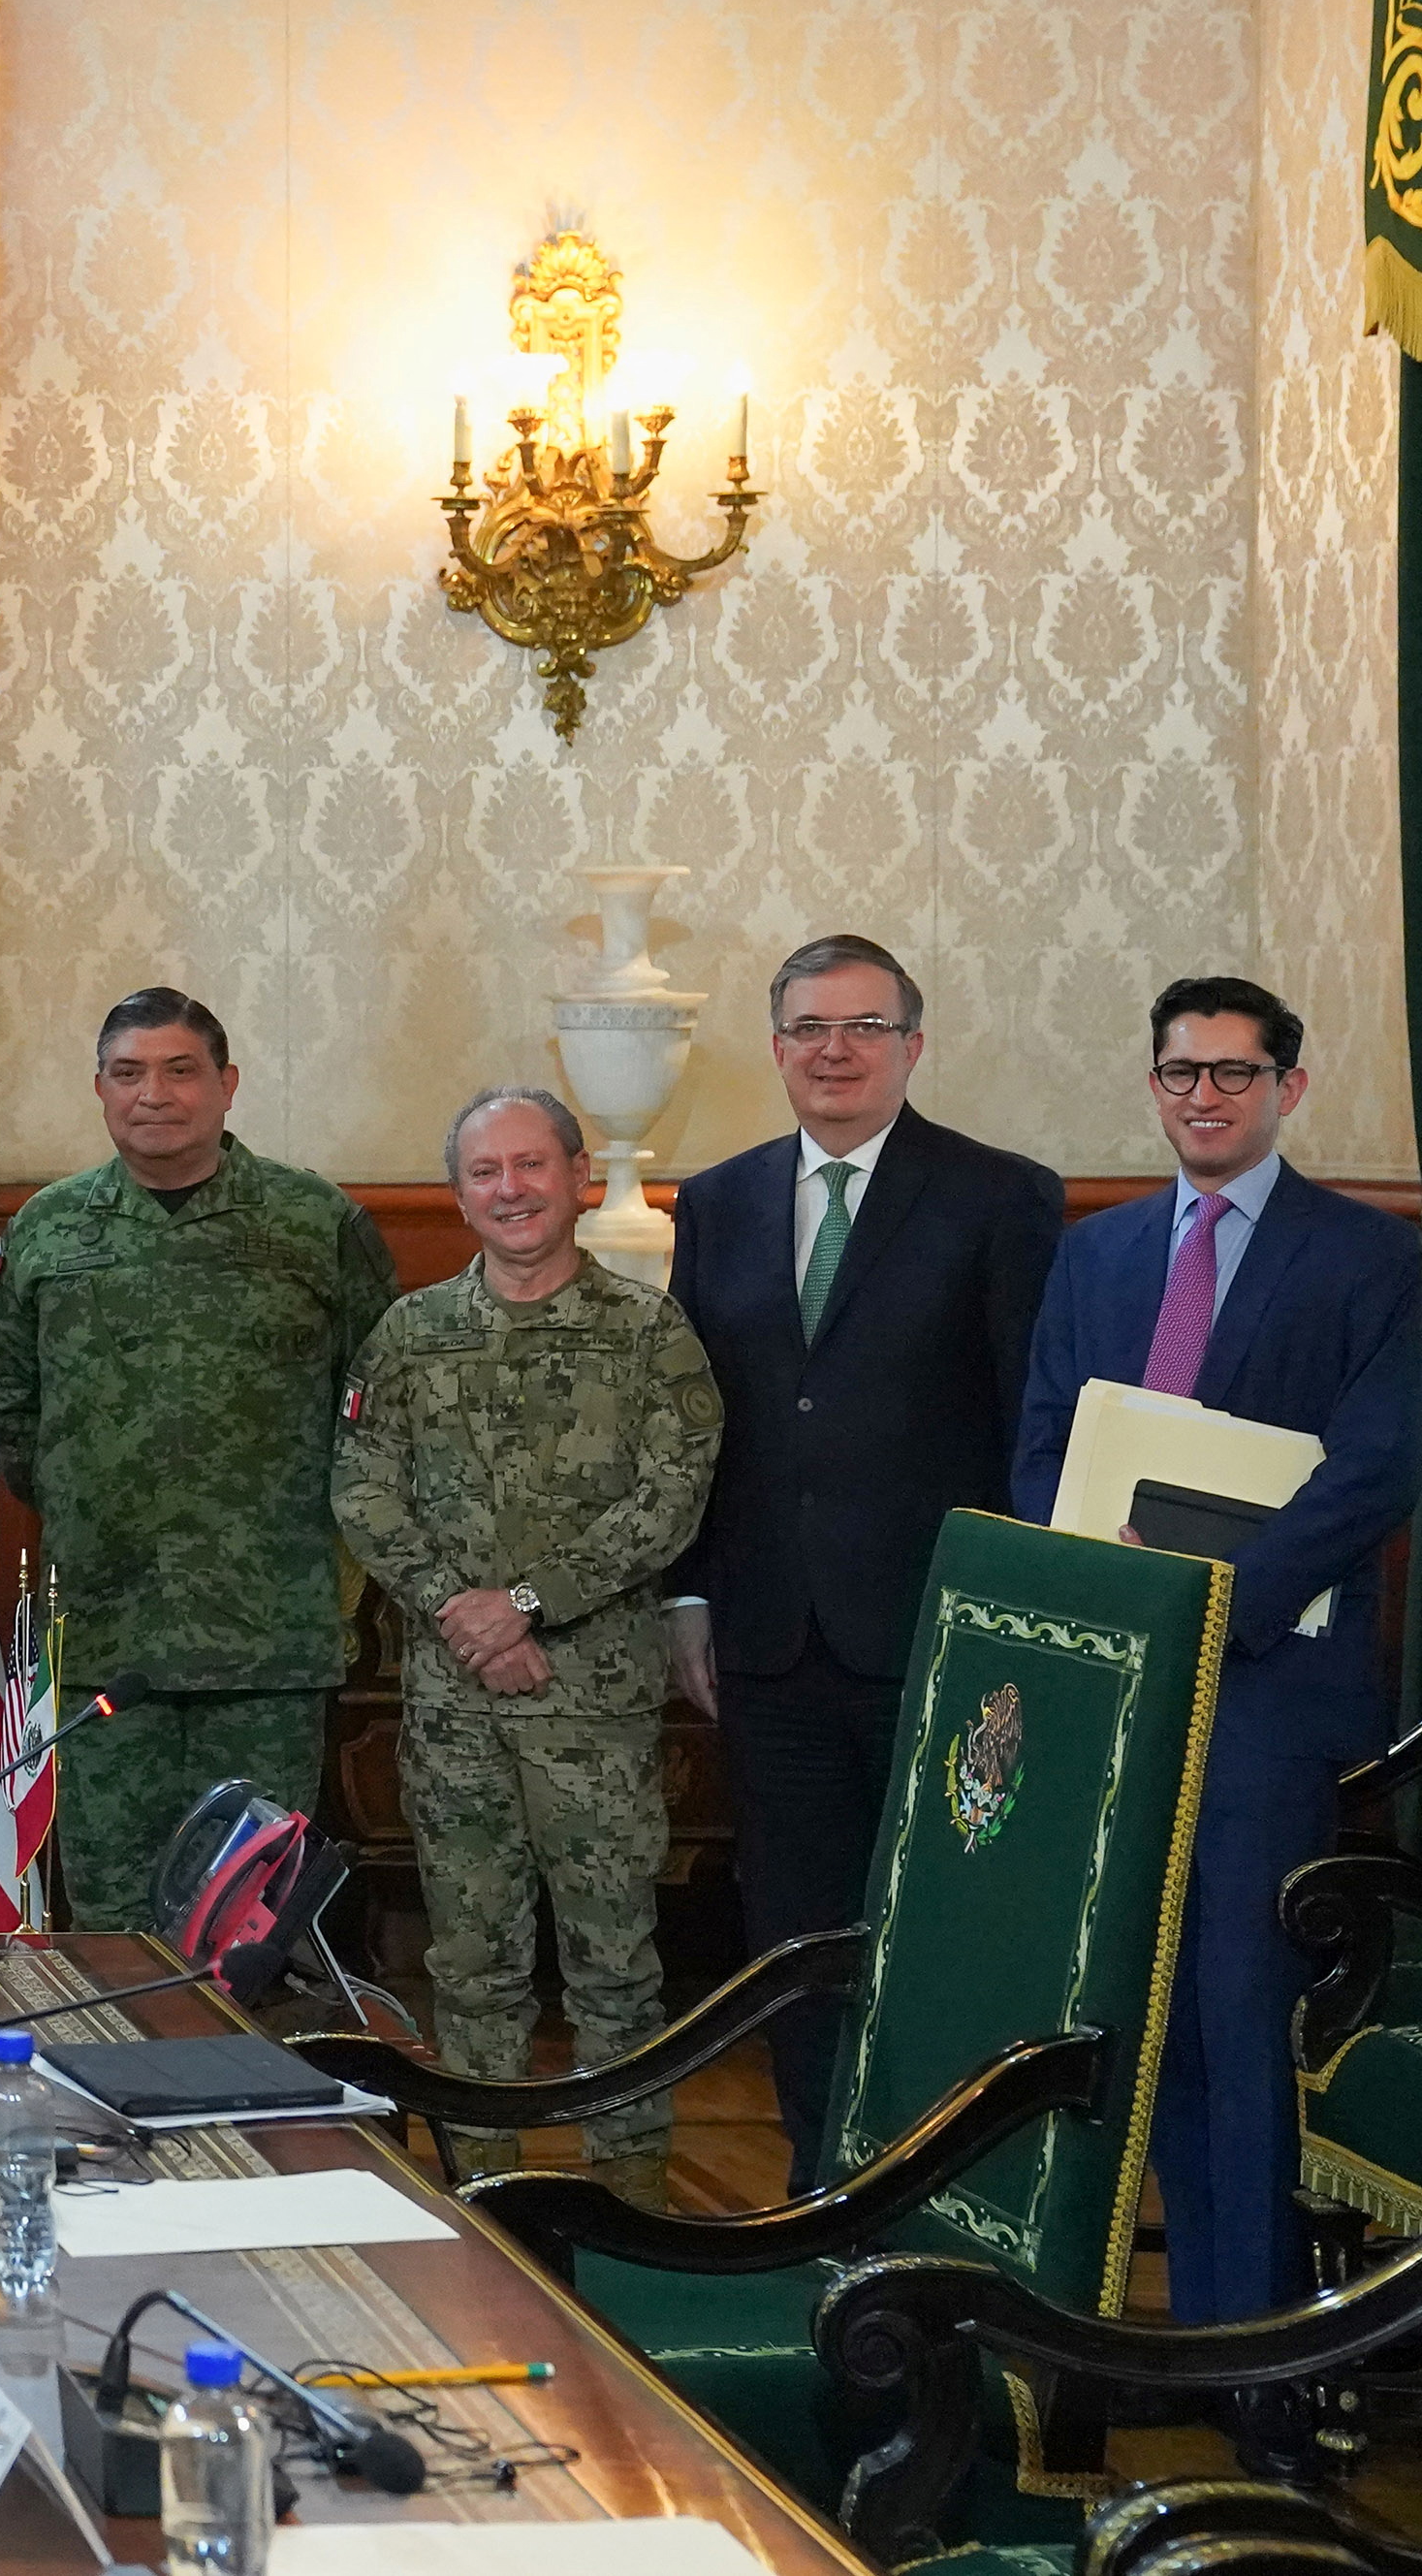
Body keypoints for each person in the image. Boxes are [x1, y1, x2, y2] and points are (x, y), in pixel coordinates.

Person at [1016, 976, 1420, 2337]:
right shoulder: (1103, 1248)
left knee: (1238, 2015)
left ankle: (1247, 2360)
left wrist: (1216, 1597)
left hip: (1265, 1690)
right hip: (1114, 1684)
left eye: (1234, 1074)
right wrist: (1074, 1591)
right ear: (1155, 1083)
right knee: (1128, 2010)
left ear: (1288, 1089)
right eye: (1182, 1073)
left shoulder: (1373, 1257)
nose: (1205, 1096)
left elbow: (1375, 1471)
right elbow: (1043, 1439)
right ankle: (1122, 2333)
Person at [661, 935, 1063, 2188]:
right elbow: (697, 1418)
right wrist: (688, 1590)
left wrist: (1010, 1623)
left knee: (942, 1929)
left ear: (912, 1045)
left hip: (941, 1636)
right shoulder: (717, 1200)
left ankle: (936, 2183)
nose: (834, 1050)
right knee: (793, 1934)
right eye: (808, 1028)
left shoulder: (1001, 1197)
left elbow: (1027, 1423)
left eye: (863, 1027)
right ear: (776, 1045)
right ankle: (815, 2184)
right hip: (767, 1641)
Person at [331, 1088, 721, 2200]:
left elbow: (670, 1500)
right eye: (485, 1172)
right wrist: (466, 1607)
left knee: (614, 1966)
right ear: (459, 1195)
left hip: (591, 1706)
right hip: (453, 1709)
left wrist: (530, 1603)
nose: (510, 1189)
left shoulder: (649, 1334)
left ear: (577, 1176)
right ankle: (479, 2189)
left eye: (530, 1166)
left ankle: (634, 2202)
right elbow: (362, 1491)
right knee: (471, 1964)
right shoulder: (409, 1335)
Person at [0, 987, 395, 1927]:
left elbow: (379, 1406)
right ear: (98, 1089)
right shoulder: (49, 1230)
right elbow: (8, 1409)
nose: (153, 1095)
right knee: (112, 1920)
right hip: (103, 1644)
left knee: (249, 1921)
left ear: (226, 1085)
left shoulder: (312, 1223)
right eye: (128, 1073)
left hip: (267, 1645)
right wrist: (98, 1508)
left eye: (179, 1071)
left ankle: (251, 2079)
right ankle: (121, 2079)